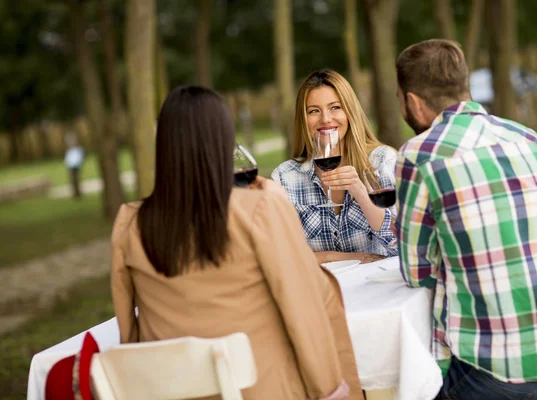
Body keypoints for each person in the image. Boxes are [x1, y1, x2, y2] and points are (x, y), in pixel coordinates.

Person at [111, 86, 362, 399]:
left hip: (173, 392)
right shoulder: (259, 210)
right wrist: (333, 393)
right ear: (223, 142)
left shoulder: (129, 222)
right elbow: (305, 313)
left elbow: (128, 331)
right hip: (262, 390)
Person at [393, 39, 537, 399]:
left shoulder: (420, 154)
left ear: (412, 101)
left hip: (498, 376)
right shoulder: (532, 140)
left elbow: (416, 272)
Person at [272, 69, 397, 265]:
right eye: (314, 111)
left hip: (379, 289)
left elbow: (401, 245)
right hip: (320, 292)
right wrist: (339, 257)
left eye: (335, 107)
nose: (326, 119)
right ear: (304, 120)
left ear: (349, 112)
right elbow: (281, 258)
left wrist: (361, 194)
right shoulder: (285, 177)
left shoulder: (381, 161)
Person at [63, 132, 84, 199]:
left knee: (77, 179)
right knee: (73, 180)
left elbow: (80, 157)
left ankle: (78, 192)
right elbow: (67, 159)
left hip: (76, 166)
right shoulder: (69, 150)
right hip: (71, 167)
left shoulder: (78, 149)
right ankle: (75, 193)